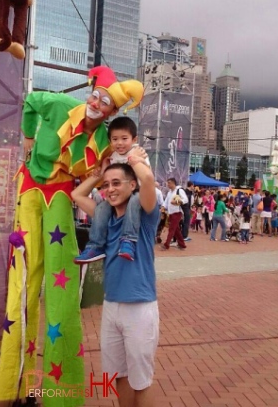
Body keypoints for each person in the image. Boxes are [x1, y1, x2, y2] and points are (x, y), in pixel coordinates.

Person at [0, 66, 144, 407]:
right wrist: (29, 136)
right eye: (95, 96)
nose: (96, 103)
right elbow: (30, 101)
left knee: (61, 287)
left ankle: (61, 394)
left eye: (104, 102)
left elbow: (117, 164)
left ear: (111, 111)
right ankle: (11, 387)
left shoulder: (105, 140)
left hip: (62, 194)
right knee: (24, 282)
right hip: (30, 187)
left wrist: (129, 164)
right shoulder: (59, 105)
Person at [71, 156, 159, 407]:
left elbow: (149, 179)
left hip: (139, 307)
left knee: (141, 380)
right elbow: (77, 195)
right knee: (118, 375)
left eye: (117, 183)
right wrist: (99, 175)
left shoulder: (144, 216)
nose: (110, 189)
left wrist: (135, 159)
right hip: (111, 306)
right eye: (106, 185)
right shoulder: (105, 219)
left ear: (132, 185)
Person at [74, 117, 150, 264]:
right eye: (115, 139)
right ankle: (96, 245)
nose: (119, 143)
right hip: (121, 195)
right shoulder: (112, 157)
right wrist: (101, 170)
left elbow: (147, 177)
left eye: (124, 138)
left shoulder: (138, 152)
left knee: (135, 200)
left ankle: (128, 240)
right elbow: (109, 177)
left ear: (134, 139)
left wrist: (135, 161)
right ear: (110, 141)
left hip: (137, 192)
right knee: (102, 206)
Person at [161, 178, 188, 250]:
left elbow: (185, 199)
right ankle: (182, 245)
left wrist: (177, 202)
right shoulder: (169, 192)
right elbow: (166, 201)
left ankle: (166, 244)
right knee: (176, 230)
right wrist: (163, 206)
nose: (168, 184)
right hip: (171, 213)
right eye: (167, 183)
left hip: (177, 212)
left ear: (173, 183)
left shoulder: (179, 190)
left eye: (169, 183)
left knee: (172, 229)